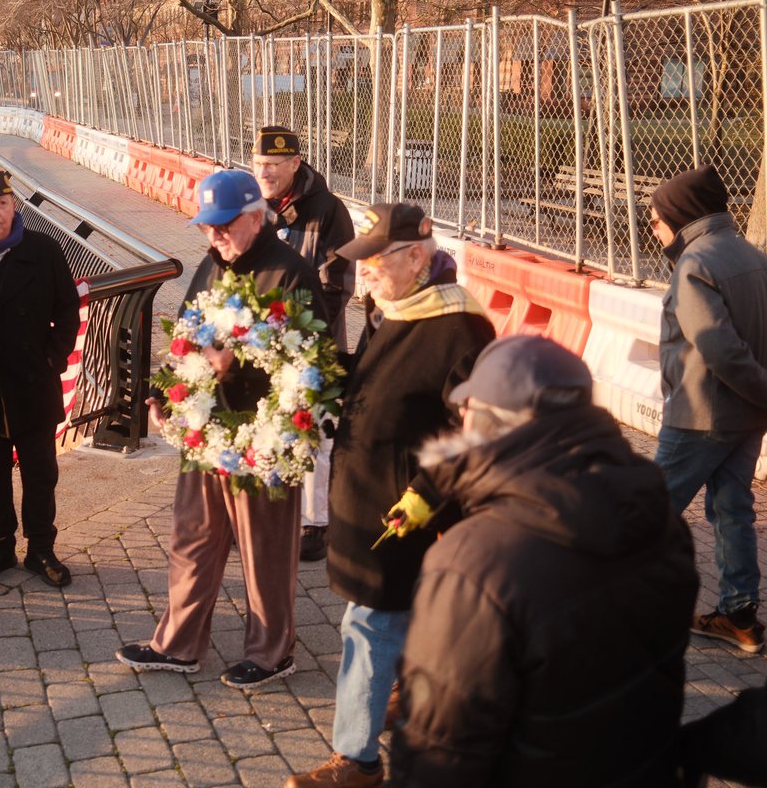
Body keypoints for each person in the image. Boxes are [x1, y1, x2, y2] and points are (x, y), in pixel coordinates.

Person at [387, 335, 699, 787]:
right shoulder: (660, 518)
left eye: (469, 406)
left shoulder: (472, 563)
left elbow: (440, 751)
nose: (461, 419)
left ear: (493, 423)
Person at [286, 202, 494, 788]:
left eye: (374, 261)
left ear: (415, 255)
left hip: (407, 508)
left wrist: (426, 494)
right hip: (366, 493)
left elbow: (472, 427)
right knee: (403, 614)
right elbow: (384, 382)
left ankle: (356, 761)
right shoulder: (395, 306)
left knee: (368, 624)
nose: (364, 274)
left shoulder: (460, 325)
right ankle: (414, 691)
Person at [115, 169, 327, 688]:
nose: (214, 236)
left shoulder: (291, 273)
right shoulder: (210, 267)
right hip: (207, 432)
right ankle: (179, 644)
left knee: (264, 550)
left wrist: (233, 363)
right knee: (192, 538)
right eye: (207, 227)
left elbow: (310, 366)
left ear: (257, 218)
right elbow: (188, 339)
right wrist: (163, 395)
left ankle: (274, 651)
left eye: (224, 225)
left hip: (264, 438)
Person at [649, 164, 767, 654]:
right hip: (746, 419)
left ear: (681, 216)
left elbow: (717, 347)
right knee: (732, 510)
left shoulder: (695, 264)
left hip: (701, 416)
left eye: (655, 221)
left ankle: (617, 612)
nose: (653, 232)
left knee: (646, 512)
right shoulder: (752, 256)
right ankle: (740, 617)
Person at [0, 169, 81, 589]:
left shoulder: (43, 250)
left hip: (32, 382)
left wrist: (53, 358)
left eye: (3, 205)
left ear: (15, 208)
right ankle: (0, 548)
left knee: (41, 475)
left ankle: (41, 550)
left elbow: (67, 310)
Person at [251, 125, 355, 562]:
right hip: (259, 345)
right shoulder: (253, 207)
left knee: (315, 435)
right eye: (260, 165)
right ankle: (266, 512)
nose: (267, 173)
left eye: (275, 165)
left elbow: (338, 284)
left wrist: (300, 333)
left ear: (296, 163)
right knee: (266, 427)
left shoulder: (329, 211)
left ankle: (315, 523)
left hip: (313, 345)